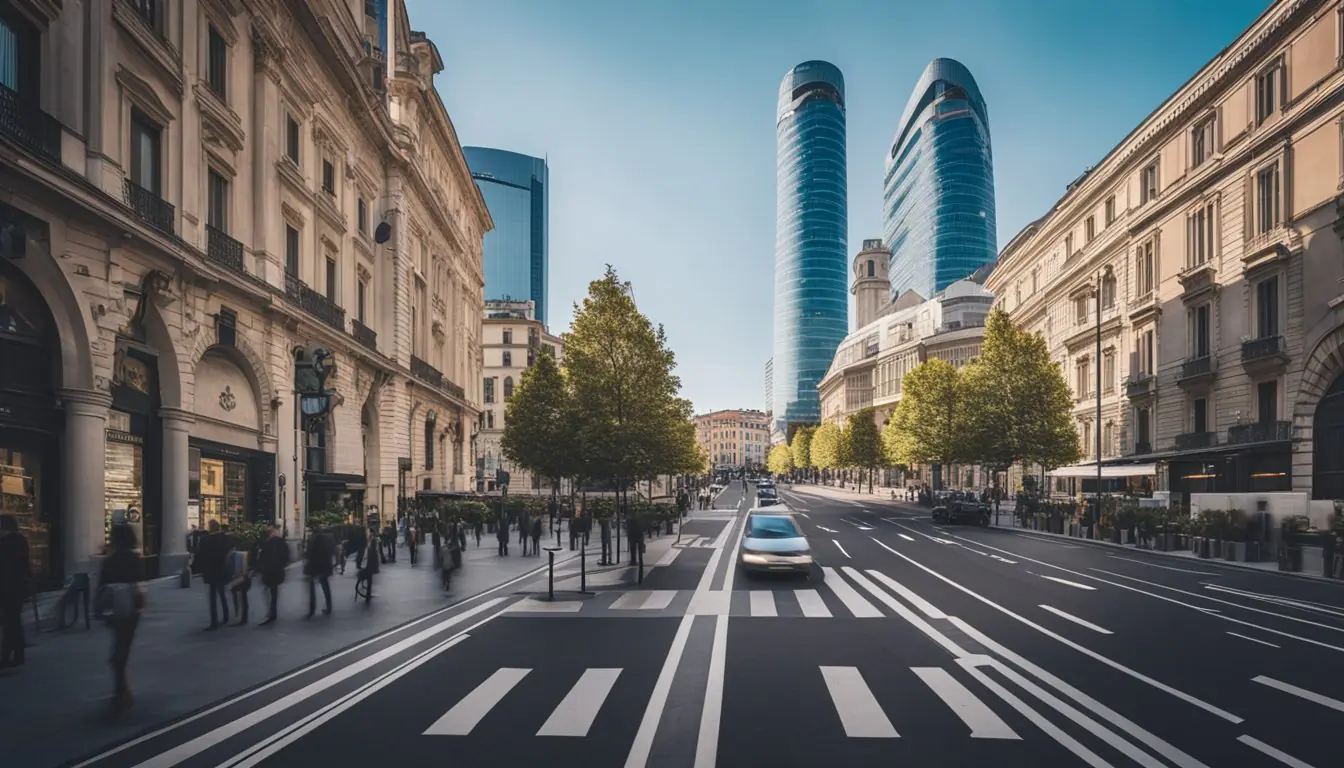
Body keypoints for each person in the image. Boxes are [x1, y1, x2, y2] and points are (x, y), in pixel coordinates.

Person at [98, 523, 144, 711]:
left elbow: (102, 585)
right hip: (131, 607)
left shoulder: (109, 560)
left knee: (119, 645)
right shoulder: (134, 559)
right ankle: (122, 688)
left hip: (113, 608)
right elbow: (139, 581)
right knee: (122, 646)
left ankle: (121, 687)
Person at [0, 515, 31, 669]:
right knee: (14, 621)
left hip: (9, 588)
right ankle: (17, 655)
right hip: (19, 587)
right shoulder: (21, 540)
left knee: (10, 622)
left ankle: (7, 656)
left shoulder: (6, 544)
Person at [198, 520, 230, 629]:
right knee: (222, 592)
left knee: (212, 596)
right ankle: (226, 615)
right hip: (222, 568)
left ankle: (214, 621)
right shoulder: (225, 539)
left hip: (211, 570)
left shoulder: (205, 540)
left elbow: (201, 554)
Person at [258, 525, 289, 624]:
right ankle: (272, 611)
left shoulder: (267, 543)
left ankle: (271, 612)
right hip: (278, 570)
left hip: (269, 570)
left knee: (269, 591)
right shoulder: (281, 542)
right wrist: (282, 565)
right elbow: (286, 556)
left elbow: (262, 557)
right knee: (273, 591)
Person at [305, 525, 334, 618]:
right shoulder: (328, 539)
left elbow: (311, 554)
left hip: (315, 567)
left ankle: (312, 610)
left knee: (312, 589)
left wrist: (308, 568)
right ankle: (329, 607)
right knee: (326, 587)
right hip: (326, 566)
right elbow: (332, 551)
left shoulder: (313, 540)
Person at [358, 535, 379, 602]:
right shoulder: (374, 550)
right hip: (371, 568)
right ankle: (368, 595)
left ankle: (368, 595)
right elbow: (375, 561)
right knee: (369, 582)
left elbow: (367, 559)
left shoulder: (370, 549)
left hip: (368, 568)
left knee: (369, 582)